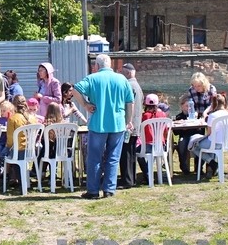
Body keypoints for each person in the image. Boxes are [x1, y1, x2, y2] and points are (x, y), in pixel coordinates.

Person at [71, 54, 134, 200]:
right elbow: (130, 102)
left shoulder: (92, 78)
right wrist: (128, 121)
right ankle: (109, 189)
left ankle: (93, 190)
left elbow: (75, 90)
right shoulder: (122, 79)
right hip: (118, 124)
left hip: (98, 124)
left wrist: (85, 105)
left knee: (95, 157)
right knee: (113, 157)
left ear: (96, 66)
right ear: (110, 65)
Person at [189, 93, 228, 178]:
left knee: (193, 145)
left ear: (213, 104)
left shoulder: (212, 116)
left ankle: (212, 163)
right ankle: (212, 166)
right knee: (209, 144)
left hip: (215, 143)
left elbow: (209, 133)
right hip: (227, 143)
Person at [118, 63, 143, 189]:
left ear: (127, 73)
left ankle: (127, 180)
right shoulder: (138, 86)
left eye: (122, 72)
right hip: (136, 125)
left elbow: (127, 104)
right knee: (132, 153)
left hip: (128, 124)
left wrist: (127, 121)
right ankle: (131, 179)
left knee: (126, 153)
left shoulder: (128, 85)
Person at [3, 95, 37, 187]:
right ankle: (20, 180)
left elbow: (10, 140)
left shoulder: (12, 119)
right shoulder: (33, 118)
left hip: (19, 150)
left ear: (13, 105)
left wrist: (7, 148)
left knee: (2, 155)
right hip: (31, 151)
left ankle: (6, 177)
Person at [136, 94, 169, 181]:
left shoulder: (144, 116)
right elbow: (166, 130)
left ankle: (147, 174)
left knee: (135, 152)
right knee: (153, 154)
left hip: (148, 145)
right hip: (161, 146)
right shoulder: (163, 115)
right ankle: (149, 175)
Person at [172, 96, 197, 175]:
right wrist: (182, 129)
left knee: (199, 142)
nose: (188, 108)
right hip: (184, 136)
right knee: (182, 143)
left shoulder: (195, 115)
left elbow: (200, 129)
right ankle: (184, 166)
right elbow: (175, 132)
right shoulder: (178, 117)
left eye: (190, 106)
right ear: (182, 106)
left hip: (194, 135)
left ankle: (199, 167)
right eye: (186, 106)